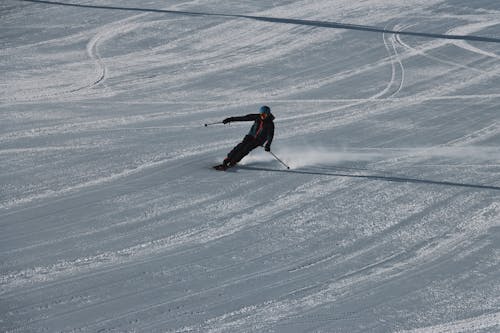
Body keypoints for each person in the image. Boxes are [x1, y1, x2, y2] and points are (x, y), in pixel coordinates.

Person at [215, 105, 275, 170]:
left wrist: (268, 145)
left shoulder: (270, 124)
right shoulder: (257, 117)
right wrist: (230, 119)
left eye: (264, 115)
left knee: (245, 149)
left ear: (268, 114)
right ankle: (227, 160)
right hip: (250, 136)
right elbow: (243, 118)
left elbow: (270, 135)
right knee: (239, 147)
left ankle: (232, 162)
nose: (262, 116)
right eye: (261, 115)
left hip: (259, 140)